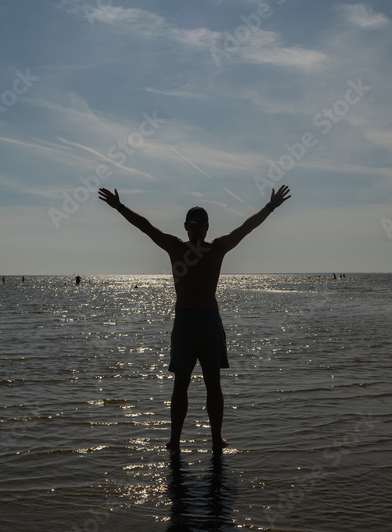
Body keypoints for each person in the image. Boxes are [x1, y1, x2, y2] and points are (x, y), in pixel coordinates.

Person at [98, 184, 291, 452]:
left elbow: (146, 227)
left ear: (190, 227)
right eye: (197, 225)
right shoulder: (215, 248)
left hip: (189, 322)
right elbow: (246, 228)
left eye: (197, 225)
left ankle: (179, 442)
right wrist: (270, 207)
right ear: (200, 227)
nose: (198, 229)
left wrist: (120, 207)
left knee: (186, 384)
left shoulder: (179, 247)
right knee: (206, 384)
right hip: (206, 322)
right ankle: (211, 441)